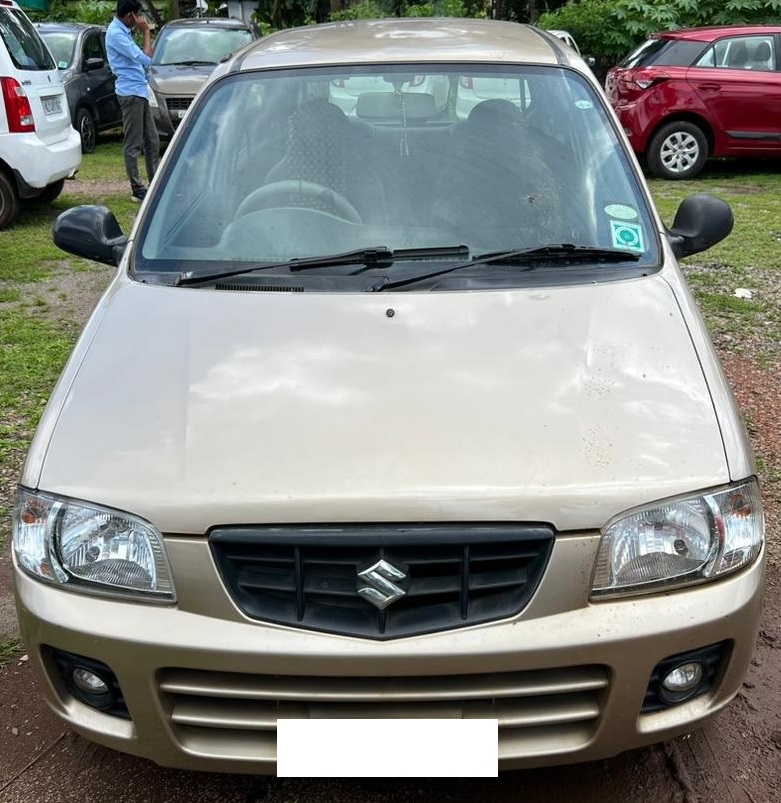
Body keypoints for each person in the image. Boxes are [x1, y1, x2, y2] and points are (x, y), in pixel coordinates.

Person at [106, 0, 159, 202]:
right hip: (130, 93)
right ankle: (137, 188)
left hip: (139, 91)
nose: (140, 19)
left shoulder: (123, 32)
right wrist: (146, 32)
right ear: (130, 16)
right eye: (138, 16)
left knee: (152, 141)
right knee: (134, 143)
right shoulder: (117, 34)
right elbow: (146, 58)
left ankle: (154, 183)